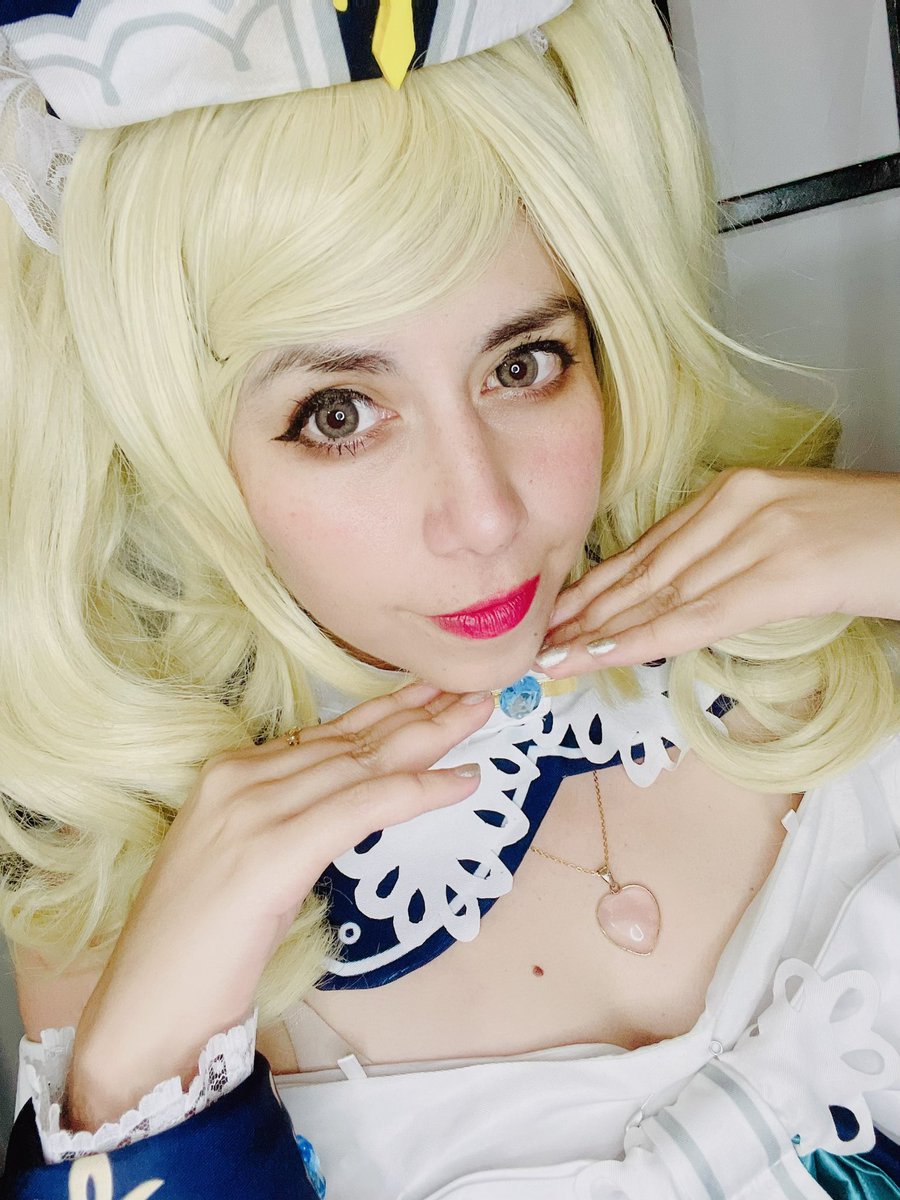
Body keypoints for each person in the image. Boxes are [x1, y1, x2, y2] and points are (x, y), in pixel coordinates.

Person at [1, 1, 899, 1196]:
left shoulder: (825, 599)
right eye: (338, 414)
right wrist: (140, 1081)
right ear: (171, 442)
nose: (484, 515)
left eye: (523, 364)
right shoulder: (118, 886)